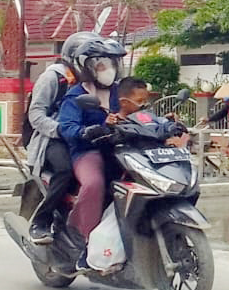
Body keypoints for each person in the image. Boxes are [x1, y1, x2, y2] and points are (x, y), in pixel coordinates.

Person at [24, 32, 117, 244]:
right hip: (53, 138)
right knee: (65, 171)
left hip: (89, 138)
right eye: (94, 60)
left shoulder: (101, 81)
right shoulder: (54, 77)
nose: (100, 65)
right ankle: (42, 221)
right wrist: (64, 130)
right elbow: (36, 114)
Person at [59, 68, 144, 270]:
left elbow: (139, 115)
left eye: (109, 64)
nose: (107, 70)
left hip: (120, 150)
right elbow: (67, 128)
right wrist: (91, 130)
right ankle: (86, 242)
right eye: (101, 65)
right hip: (88, 150)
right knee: (94, 183)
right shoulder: (77, 95)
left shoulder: (120, 90)